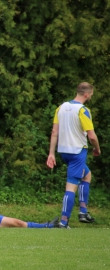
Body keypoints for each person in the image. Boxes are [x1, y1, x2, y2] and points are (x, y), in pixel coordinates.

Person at [46, 82, 101, 229]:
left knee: (86, 175)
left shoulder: (61, 107)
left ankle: (83, 212)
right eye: (91, 95)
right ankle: (64, 222)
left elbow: (54, 132)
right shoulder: (82, 110)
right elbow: (92, 136)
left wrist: (51, 153)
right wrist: (97, 148)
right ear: (86, 94)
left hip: (64, 152)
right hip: (77, 152)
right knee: (71, 187)